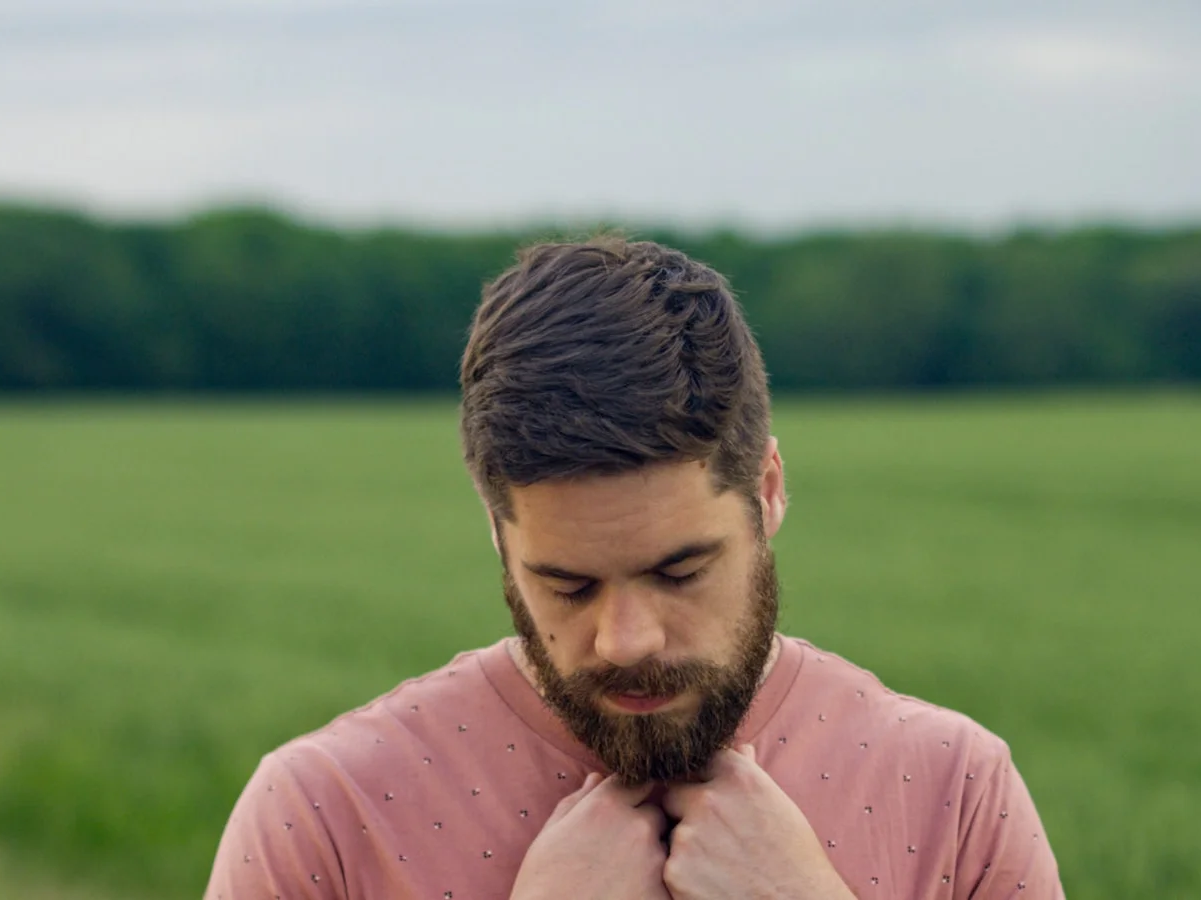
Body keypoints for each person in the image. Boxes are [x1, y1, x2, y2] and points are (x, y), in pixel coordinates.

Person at [203, 237, 1064, 899]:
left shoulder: (955, 789)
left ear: (766, 492)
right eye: (568, 586)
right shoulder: (323, 811)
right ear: (495, 529)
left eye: (681, 572)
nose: (624, 640)